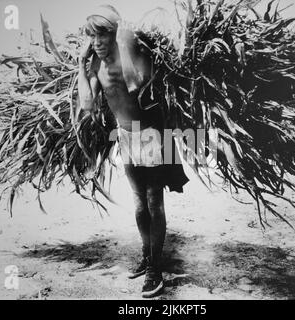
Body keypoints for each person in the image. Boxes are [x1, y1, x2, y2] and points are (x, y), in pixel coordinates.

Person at [78, 5, 189, 298]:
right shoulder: (95, 66)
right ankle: (147, 255)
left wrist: (123, 44)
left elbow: (136, 83)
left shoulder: (134, 53)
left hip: (152, 135)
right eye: (92, 38)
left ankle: (155, 270)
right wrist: (81, 64)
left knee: (155, 204)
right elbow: (88, 105)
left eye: (102, 36)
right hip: (126, 137)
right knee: (139, 204)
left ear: (114, 34)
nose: (96, 43)